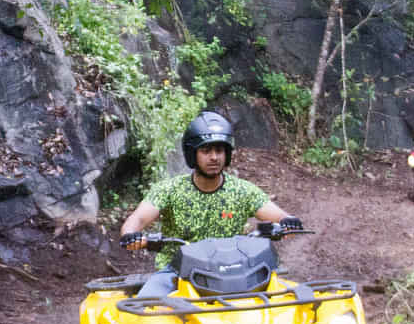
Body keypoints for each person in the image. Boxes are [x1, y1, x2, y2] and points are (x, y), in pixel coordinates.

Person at [119, 111, 298, 296]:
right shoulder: (170, 190)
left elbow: (278, 215)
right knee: (147, 307)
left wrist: (288, 222)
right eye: (206, 151)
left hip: (235, 271)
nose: (214, 157)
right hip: (178, 273)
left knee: (289, 301)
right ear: (192, 154)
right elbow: (138, 219)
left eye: (219, 151)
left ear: (227, 154)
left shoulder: (242, 190)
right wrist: (131, 235)